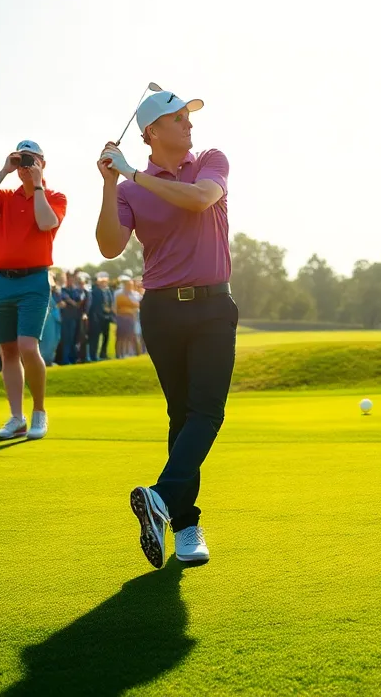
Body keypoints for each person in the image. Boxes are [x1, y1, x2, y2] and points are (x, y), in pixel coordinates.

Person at [95, 86, 232, 569]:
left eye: (187, 116)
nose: (188, 122)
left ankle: (164, 502)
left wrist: (132, 172)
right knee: (183, 415)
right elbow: (110, 246)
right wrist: (113, 184)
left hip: (214, 307)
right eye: (177, 117)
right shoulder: (130, 188)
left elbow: (199, 201)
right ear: (152, 131)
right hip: (161, 310)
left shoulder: (211, 161)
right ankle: (184, 522)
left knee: (206, 413)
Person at [0, 139, 67, 440]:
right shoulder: (6, 196)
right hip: (2, 280)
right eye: (22, 160)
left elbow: (45, 221)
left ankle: (39, 411)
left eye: (32, 160)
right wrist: (4, 170)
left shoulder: (54, 196)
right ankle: (16, 418)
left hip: (34, 280)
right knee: (8, 350)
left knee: (27, 346)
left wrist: (37, 185)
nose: (25, 166)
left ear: (43, 163)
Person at [87, 271, 115, 361]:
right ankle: (93, 356)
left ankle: (103, 354)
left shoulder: (108, 291)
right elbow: (94, 306)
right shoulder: (94, 291)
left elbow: (110, 302)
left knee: (106, 336)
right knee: (95, 337)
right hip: (97, 317)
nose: (104, 283)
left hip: (107, 317)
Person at [59, 271, 85, 365]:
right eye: (69, 278)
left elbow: (81, 299)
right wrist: (75, 303)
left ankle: (73, 359)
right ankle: (65, 360)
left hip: (76, 317)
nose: (70, 280)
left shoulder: (76, 290)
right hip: (67, 318)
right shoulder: (63, 290)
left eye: (72, 278)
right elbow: (68, 300)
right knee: (67, 339)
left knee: (75, 339)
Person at [40, 271, 65, 366]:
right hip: (48, 322)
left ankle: (49, 360)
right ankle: (45, 361)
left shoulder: (52, 295)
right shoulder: (44, 296)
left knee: (54, 340)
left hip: (53, 321)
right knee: (47, 341)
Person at [114, 274, 142, 358]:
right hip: (121, 318)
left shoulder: (136, 294)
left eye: (130, 285)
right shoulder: (118, 294)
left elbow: (140, 304)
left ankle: (136, 353)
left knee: (133, 336)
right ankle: (119, 354)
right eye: (127, 285)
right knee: (120, 337)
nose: (129, 286)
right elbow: (115, 307)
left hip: (133, 318)